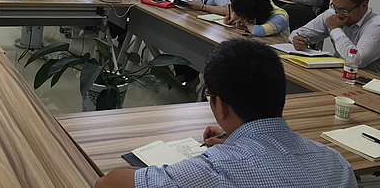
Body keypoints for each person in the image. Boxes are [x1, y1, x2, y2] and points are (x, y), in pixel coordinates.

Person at [94, 38, 357, 188]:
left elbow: (107, 184)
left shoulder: (214, 170)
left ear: (220, 106)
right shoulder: (337, 164)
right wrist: (237, 139)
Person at [161, 0, 231, 94]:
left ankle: (192, 78)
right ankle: (181, 74)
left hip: (209, 29)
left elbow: (227, 10)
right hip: (192, 23)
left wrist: (203, 7)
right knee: (176, 39)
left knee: (191, 45)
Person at [289, 0, 380, 73]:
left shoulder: (376, 25)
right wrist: (297, 39)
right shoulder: (332, 14)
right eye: (335, 7)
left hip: (364, 77)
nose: (339, 14)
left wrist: (335, 29)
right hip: (337, 71)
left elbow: (356, 60)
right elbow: (296, 33)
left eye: (344, 10)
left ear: (364, 5)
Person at [225, 0, 289, 39]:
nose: (239, 17)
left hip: (277, 44)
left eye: (240, 15)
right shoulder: (257, 4)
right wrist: (234, 16)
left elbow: (259, 31)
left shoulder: (280, 17)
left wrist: (245, 22)